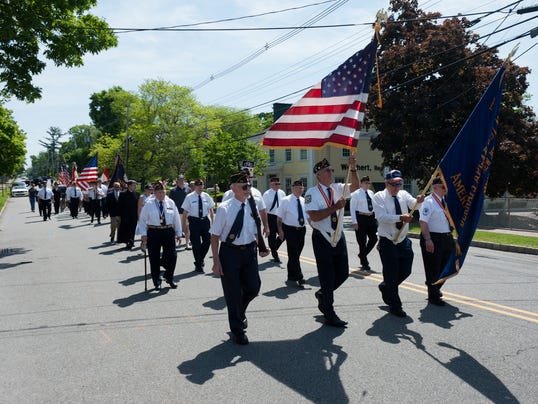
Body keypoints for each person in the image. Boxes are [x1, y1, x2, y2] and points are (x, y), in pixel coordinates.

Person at [305, 157, 359, 327]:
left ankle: (323, 294)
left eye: (332, 170)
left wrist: (353, 169)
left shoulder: (338, 188)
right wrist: (335, 207)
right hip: (322, 237)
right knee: (327, 276)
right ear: (319, 175)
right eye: (328, 170)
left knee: (343, 273)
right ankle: (329, 313)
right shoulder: (311, 193)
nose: (331, 173)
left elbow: (356, 186)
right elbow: (314, 216)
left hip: (338, 235)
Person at [211, 171, 261, 345]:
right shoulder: (225, 208)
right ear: (234, 188)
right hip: (230, 253)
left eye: (249, 186)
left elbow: (255, 228)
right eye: (244, 186)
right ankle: (237, 330)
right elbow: (215, 235)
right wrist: (216, 261)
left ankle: (240, 312)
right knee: (232, 294)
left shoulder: (251, 205)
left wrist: (261, 244)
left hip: (249, 251)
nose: (248, 189)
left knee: (254, 288)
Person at [372, 170, 425, 318]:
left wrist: (419, 201)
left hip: (402, 239)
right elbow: (381, 217)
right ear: (386, 183)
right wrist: (399, 217)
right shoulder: (379, 197)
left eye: (399, 183)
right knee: (391, 272)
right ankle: (395, 305)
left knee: (406, 270)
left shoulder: (403, 195)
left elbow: (415, 205)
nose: (397, 187)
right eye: (394, 184)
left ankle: (387, 287)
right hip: (387, 240)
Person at [139, 182, 182, 290]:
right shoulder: (148, 203)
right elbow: (142, 220)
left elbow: (176, 218)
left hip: (168, 231)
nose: (162, 194)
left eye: (163, 192)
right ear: (155, 193)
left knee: (172, 256)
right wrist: (143, 234)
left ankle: (169, 277)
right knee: (154, 258)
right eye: (159, 192)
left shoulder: (170, 202)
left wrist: (179, 233)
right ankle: (156, 281)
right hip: (154, 232)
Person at [419, 177, 454, 306]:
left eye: (445, 186)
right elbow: (423, 222)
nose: (445, 188)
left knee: (446, 267)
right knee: (433, 268)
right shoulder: (429, 202)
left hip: (446, 237)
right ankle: (433, 295)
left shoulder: (444, 201)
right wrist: (428, 240)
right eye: (442, 186)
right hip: (433, 237)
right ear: (435, 188)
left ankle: (434, 287)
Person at [277, 179, 307, 288]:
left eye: (302, 188)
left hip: (302, 230)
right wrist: (280, 231)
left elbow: (308, 217)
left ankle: (291, 275)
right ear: (292, 188)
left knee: (296, 254)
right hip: (290, 230)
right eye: (298, 188)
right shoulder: (286, 200)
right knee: (293, 253)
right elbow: (279, 218)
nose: (300, 190)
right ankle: (299, 276)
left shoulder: (304, 201)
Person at [181, 179, 215, 273]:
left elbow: (211, 209)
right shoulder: (189, 197)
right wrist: (183, 225)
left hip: (205, 221)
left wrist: (213, 222)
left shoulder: (206, 196)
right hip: (194, 221)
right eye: (198, 186)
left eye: (202, 185)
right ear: (194, 187)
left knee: (207, 241)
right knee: (196, 244)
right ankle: (199, 264)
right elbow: (185, 213)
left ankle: (199, 260)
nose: (200, 187)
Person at [350, 176, 378, 271]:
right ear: (361, 184)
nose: (367, 185)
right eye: (365, 183)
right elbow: (352, 208)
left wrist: (376, 218)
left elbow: (374, 206)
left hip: (371, 217)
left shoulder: (371, 193)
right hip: (360, 218)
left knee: (374, 239)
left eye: (368, 183)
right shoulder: (356, 194)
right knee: (362, 241)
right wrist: (355, 222)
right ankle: (364, 262)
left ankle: (362, 254)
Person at [263, 177, 286, 262]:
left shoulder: (282, 193)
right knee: (271, 237)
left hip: (280, 217)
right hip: (270, 217)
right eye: (276, 184)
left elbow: (284, 205)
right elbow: (264, 209)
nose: (278, 185)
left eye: (279, 184)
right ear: (271, 184)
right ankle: (275, 256)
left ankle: (274, 248)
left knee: (284, 234)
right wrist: (265, 223)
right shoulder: (266, 194)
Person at [169, 174, 192, 249]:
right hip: (177, 212)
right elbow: (170, 202)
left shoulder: (188, 189)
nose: (181, 181)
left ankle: (187, 243)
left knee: (187, 228)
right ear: (177, 181)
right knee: (175, 228)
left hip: (186, 212)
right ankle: (173, 244)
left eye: (182, 179)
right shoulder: (173, 190)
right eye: (180, 179)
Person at [117, 180, 139, 249]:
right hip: (125, 215)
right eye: (134, 185)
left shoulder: (137, 194)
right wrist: (118, 215)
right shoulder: (123, 194)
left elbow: (138, 205)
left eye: (135, 185)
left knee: (133, 228)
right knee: (126, 228)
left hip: (134, 215)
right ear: (129, 186)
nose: (135, 186)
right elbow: (119, 205)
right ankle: (127, 242)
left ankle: (132, 241)